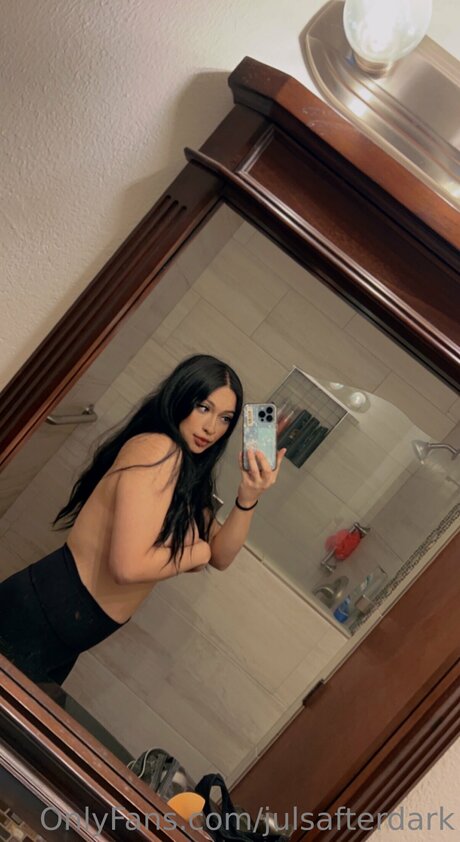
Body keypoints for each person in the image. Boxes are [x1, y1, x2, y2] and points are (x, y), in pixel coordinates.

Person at [0, 354, 285, 686]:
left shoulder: (186, 472)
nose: (211, 428)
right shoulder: (159, 451)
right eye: (203, 407)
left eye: (225, 418)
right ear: (180, 397)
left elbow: (222, 555)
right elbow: (128, 568)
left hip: (63, 628)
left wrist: (248, 497)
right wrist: (198, 552)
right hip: (43, 615)